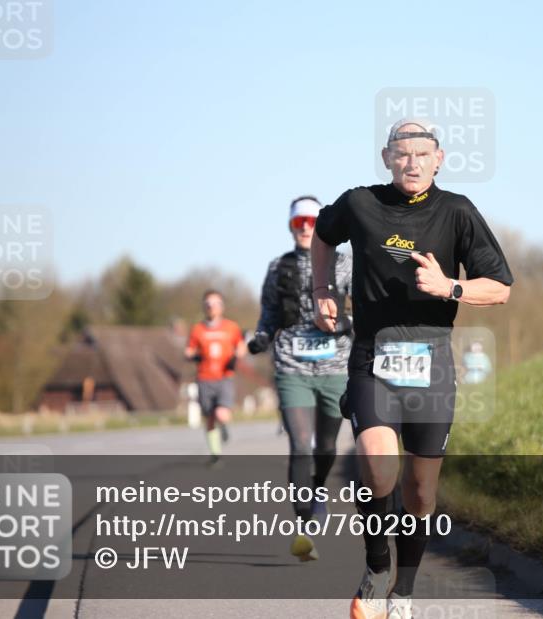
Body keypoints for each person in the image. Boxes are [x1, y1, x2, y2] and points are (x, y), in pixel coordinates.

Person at [311, 119, 513, 619]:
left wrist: (451, 288)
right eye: (402, 153)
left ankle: (404, 589)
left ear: (439, 159)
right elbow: (321, 235)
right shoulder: (360, 204)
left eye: (423, 153)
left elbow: (501, 286)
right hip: (372, 355)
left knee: (420, 492)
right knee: (378, 462)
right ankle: (377, 565)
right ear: (386, 158)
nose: (412, 162)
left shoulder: (458, 212)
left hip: (433, 360)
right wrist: (321, 290)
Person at [247, 195, 353, 562]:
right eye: (298, 223)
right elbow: (268, 315)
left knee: (325, 446)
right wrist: (261, 337)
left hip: (335, 368)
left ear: (321, 224)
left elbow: (366, 308)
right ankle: (305, 523)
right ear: (291, 227)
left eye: (311, 220)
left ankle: (318, 488)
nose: (305, 227)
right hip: (291, 367)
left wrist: (347, 323)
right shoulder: (278, 267)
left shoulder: (345, 264)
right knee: (300, 443)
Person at [185, 290, 248, 466]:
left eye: (215, 304)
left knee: (222, 413)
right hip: (204, 378)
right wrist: (192, 356)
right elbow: (188, 350)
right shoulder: (198, 329)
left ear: (222, 307)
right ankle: (215, 454)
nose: (211, 307)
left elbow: (241, 347)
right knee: (209, 418)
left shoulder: (231, 327)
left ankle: (225, 426)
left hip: (224, 377)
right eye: (208, 304)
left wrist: (236, 357)